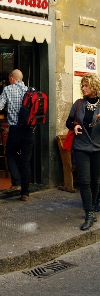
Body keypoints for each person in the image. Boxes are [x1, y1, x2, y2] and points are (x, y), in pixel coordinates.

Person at [0, 69, 34, 201]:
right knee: (26, 161)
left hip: (15, 129)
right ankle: (25, 193)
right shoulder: (30, 90)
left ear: (12, 78)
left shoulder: (8, 89)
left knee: (10, 154)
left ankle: (16, 182)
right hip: (29, 129)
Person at [65, 73, 100, 230]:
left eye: (86, 85)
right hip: (81, 147)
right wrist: (74, 126)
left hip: (98, 148)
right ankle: (89, 214)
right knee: (84, 181)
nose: (83, 88)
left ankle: (92, 206)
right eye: (82, 85)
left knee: (95, 181)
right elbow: (68, 121)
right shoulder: (79, 103)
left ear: (94, 86)